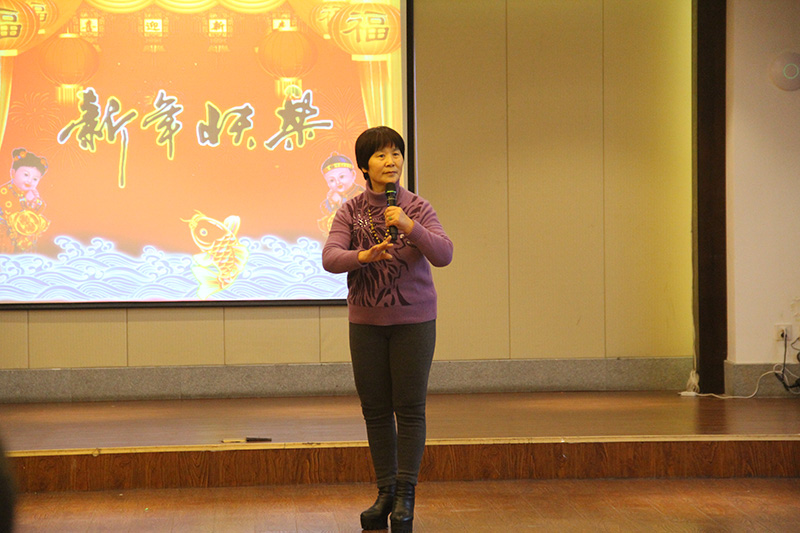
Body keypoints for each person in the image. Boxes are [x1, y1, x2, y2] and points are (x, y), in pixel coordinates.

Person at [322, 126, 453, 532]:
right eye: (380, 155)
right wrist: (364, 255)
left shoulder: (417, 207)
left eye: (396, 153)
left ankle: (405, 496)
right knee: (376, 411)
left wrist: (410, 226)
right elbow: (331, 257)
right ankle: (385, 493)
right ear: (364, 166)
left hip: (414, 322)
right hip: (367, 324)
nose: (391, 161)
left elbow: (444, 253)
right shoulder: (350, 210)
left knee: (410, 410)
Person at [0, 148, 50, 254]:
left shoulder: (32, 194)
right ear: (13, 173)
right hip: (5, 236)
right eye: (26, 175)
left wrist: (33, 202)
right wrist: (25, 202)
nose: (30, 181)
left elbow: (35, 215)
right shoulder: (4, 191)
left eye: (35, 179)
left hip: (24, 239)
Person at [317, 152, 364, 235]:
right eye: (332, 180)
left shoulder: (360, 194)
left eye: (342, 177)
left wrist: (340, 203)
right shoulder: (333, 196)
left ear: (353, 174)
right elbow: (325, 209)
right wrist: (332, 203)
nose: (338, 182)